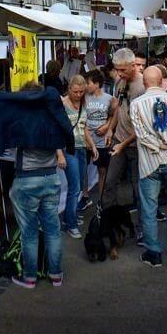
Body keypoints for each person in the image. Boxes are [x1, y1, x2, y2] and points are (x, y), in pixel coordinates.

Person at [8, 81, 65, 290]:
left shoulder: (20, 118)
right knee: (53, 230)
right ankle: (56, 275)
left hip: (26, 180)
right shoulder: (52, 117)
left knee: (29, 232)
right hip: (51, 177)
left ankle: (30, 277)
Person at [130, 66, 167, 266]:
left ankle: (153, 253)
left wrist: (159, 146)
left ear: (145, 83)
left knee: (148, 209)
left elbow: (141, 135)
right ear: (162, 80)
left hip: (148, 163)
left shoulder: (136, 104)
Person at [101, 48, 144, 209]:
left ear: (133, 65)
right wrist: (111, 129)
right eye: (117, 69)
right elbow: (119, 107)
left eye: (122, 70)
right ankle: (108, 222)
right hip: (119, 140)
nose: (118, 74)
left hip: (135, 144)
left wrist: (123, 144)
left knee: (138, 186)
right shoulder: (120, 81)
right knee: (110, 182)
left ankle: (141, 227)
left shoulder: (142, 87)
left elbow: (142, 126)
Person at [60, 75, 94, 238]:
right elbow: (56, 130)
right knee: (74, 187)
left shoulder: (84, 103)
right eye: (75, 91)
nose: (78, 94)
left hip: (81, 148)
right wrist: (59, 153)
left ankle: (69, 217)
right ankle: (71, 224)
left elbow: (84, 126)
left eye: (81, 91)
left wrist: (92, 145)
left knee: (79, 185)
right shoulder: (62, 104)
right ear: (69, 89)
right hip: (69, 149)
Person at [84, 69, 116, 200]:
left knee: (102, 170)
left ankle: (101, 199)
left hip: (102, 140)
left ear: (97, 84)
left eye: (88, 83)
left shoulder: (109, 99)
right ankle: (85, 196)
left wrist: (107, 126)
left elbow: (113, 115)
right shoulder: (84, 97)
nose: (86, 86)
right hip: (86, 139)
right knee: (83, 170)